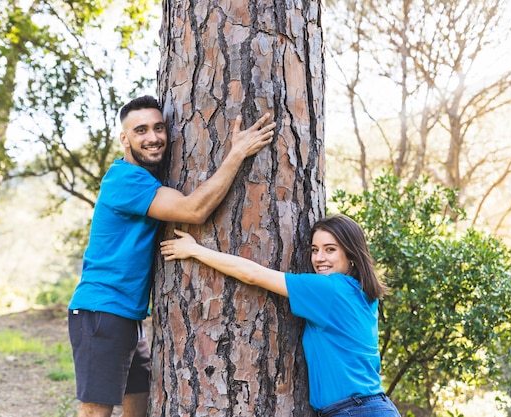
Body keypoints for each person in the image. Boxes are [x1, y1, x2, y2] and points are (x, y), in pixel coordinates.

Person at [68, 94, 276, 417]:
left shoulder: (144, 179)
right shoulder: (126, 180)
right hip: (101, 312)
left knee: (137, 406)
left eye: (158, 128)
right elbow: (194, 209)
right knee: (96, 411)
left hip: (126, 316)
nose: (153, 137)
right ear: (124, 139)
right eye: (140, 131)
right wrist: (237, 153)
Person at [160, 214, 401, 417]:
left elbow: (252, 274)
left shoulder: (330, 289)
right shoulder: (359, 292)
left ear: (351, 255)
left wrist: (195, 250)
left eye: (330, 250)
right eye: (315, 250)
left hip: (356, 410)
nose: (318, 258)